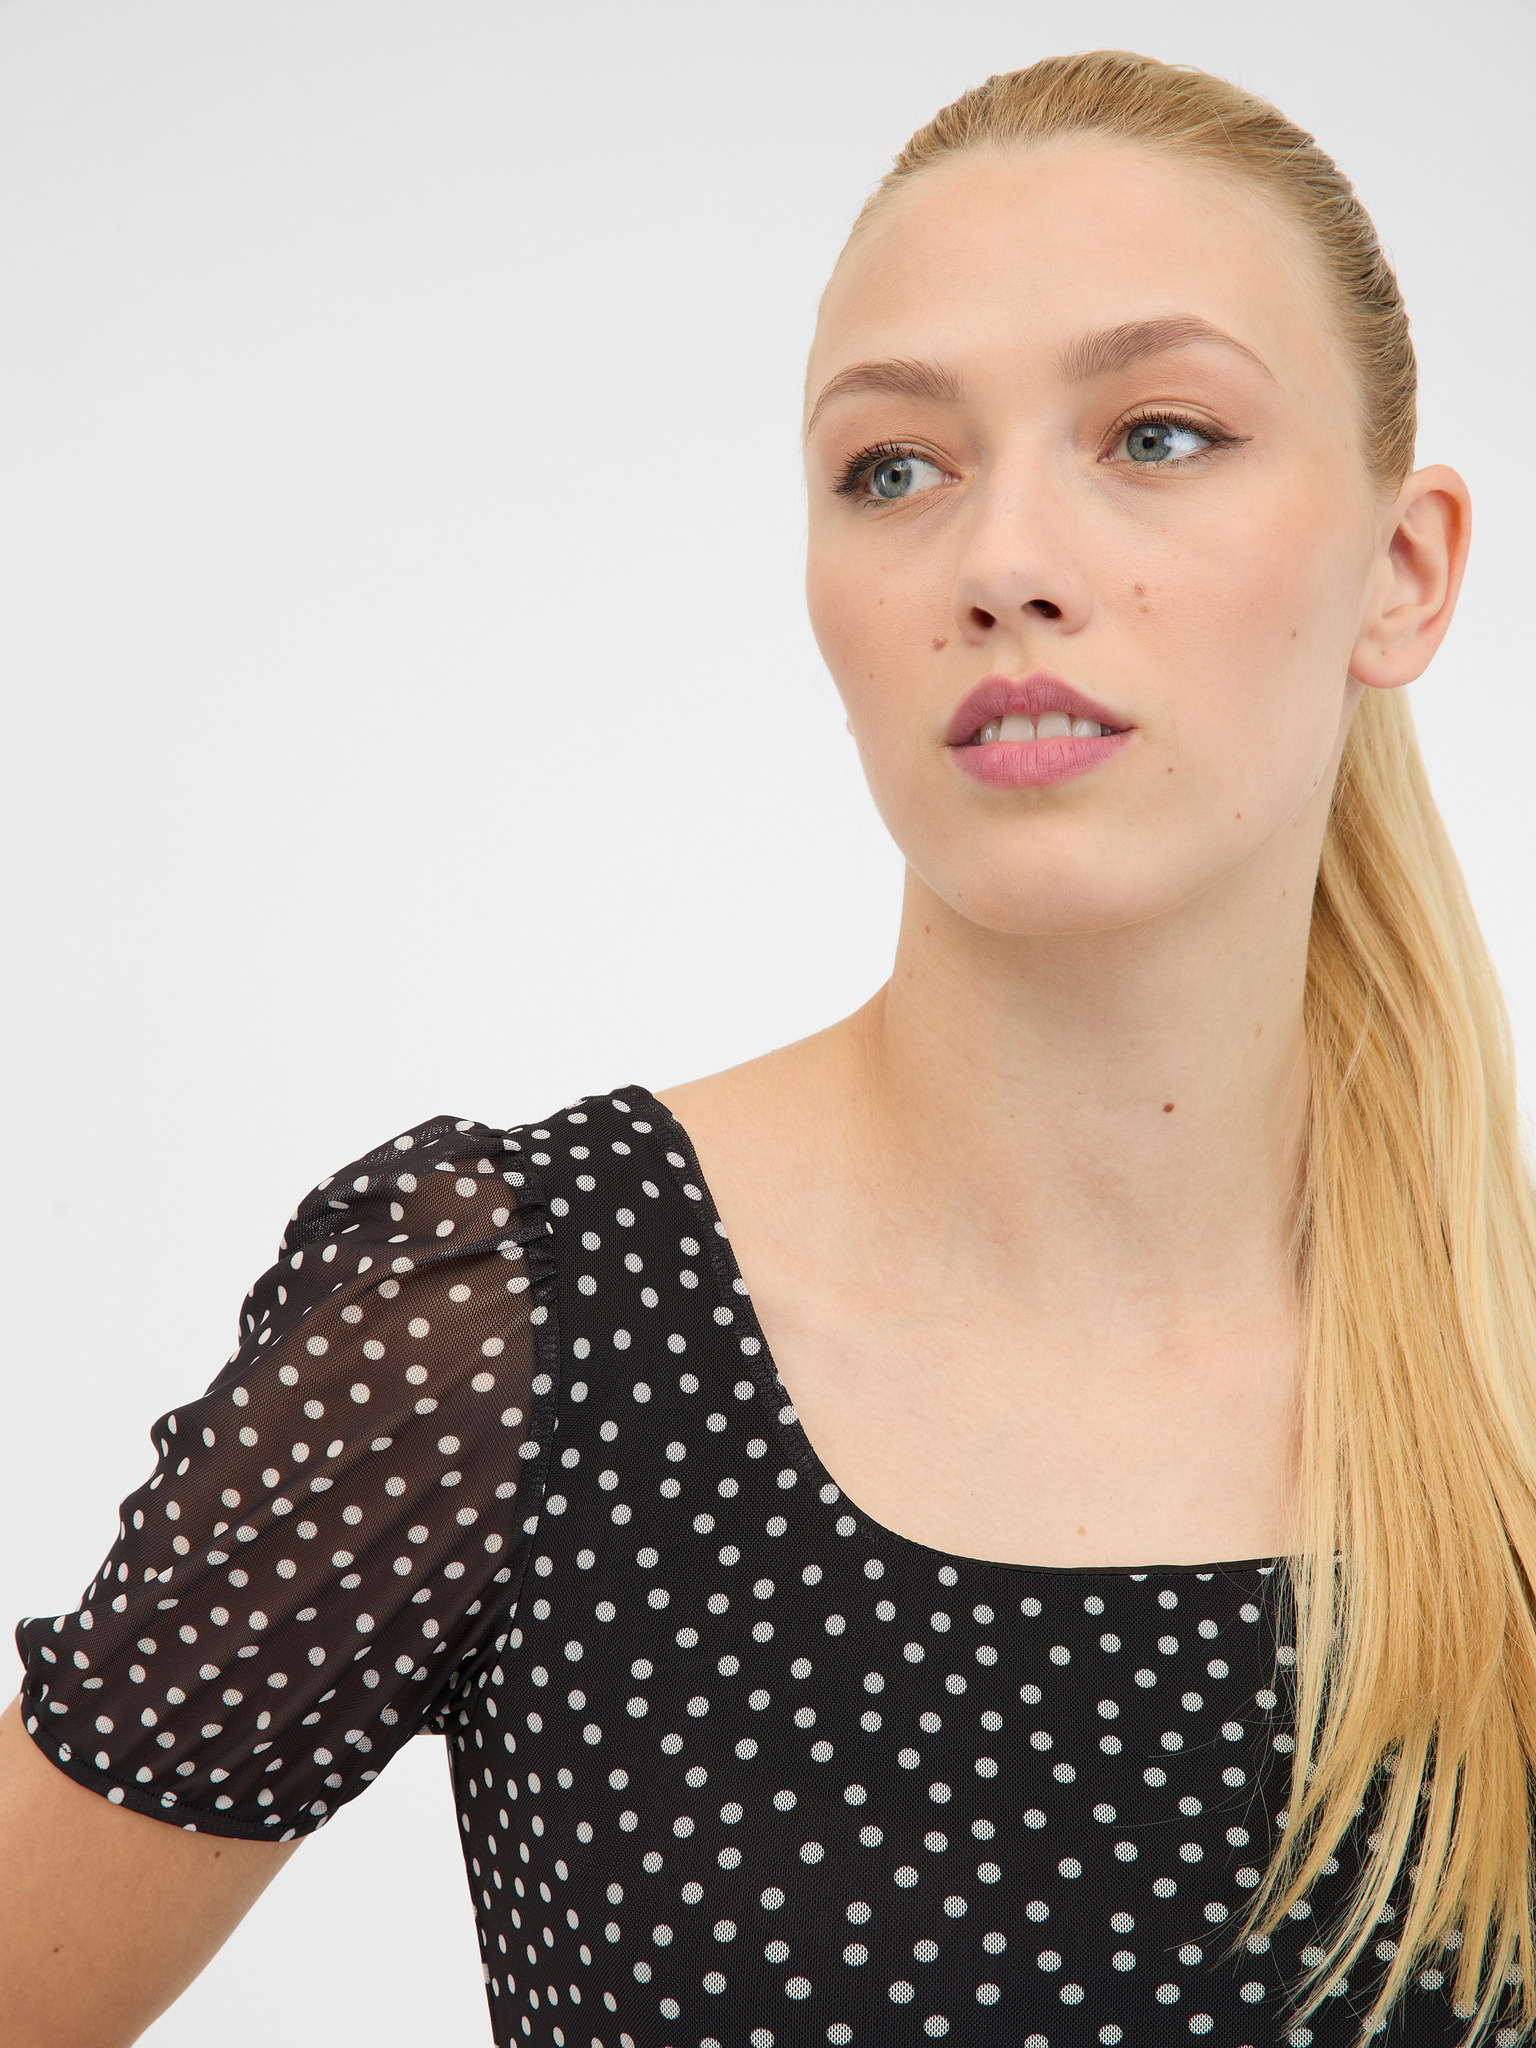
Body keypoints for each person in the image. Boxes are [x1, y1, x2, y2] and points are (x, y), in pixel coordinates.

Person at [3, 46, 1531, 2048]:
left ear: (1403, 572)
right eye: (895, 467)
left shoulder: (1503, 1397)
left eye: (1158, 434)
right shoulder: (515, 1321)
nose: (1004, 560)